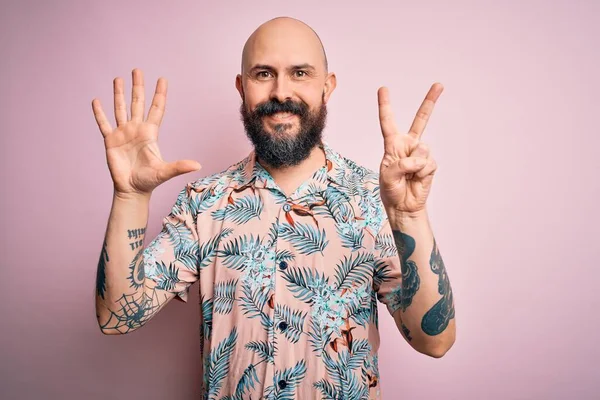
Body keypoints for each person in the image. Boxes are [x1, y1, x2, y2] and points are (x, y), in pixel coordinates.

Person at [92, 16, 456, 399]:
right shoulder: (204, 202)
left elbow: (436, 342)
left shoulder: (373, 198)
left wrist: (408, 216)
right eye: (263, 73)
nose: (281, 92)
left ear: (327, 87)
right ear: (241, 87)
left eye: (300, 73)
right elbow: (118, 317)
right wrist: (129, 198)